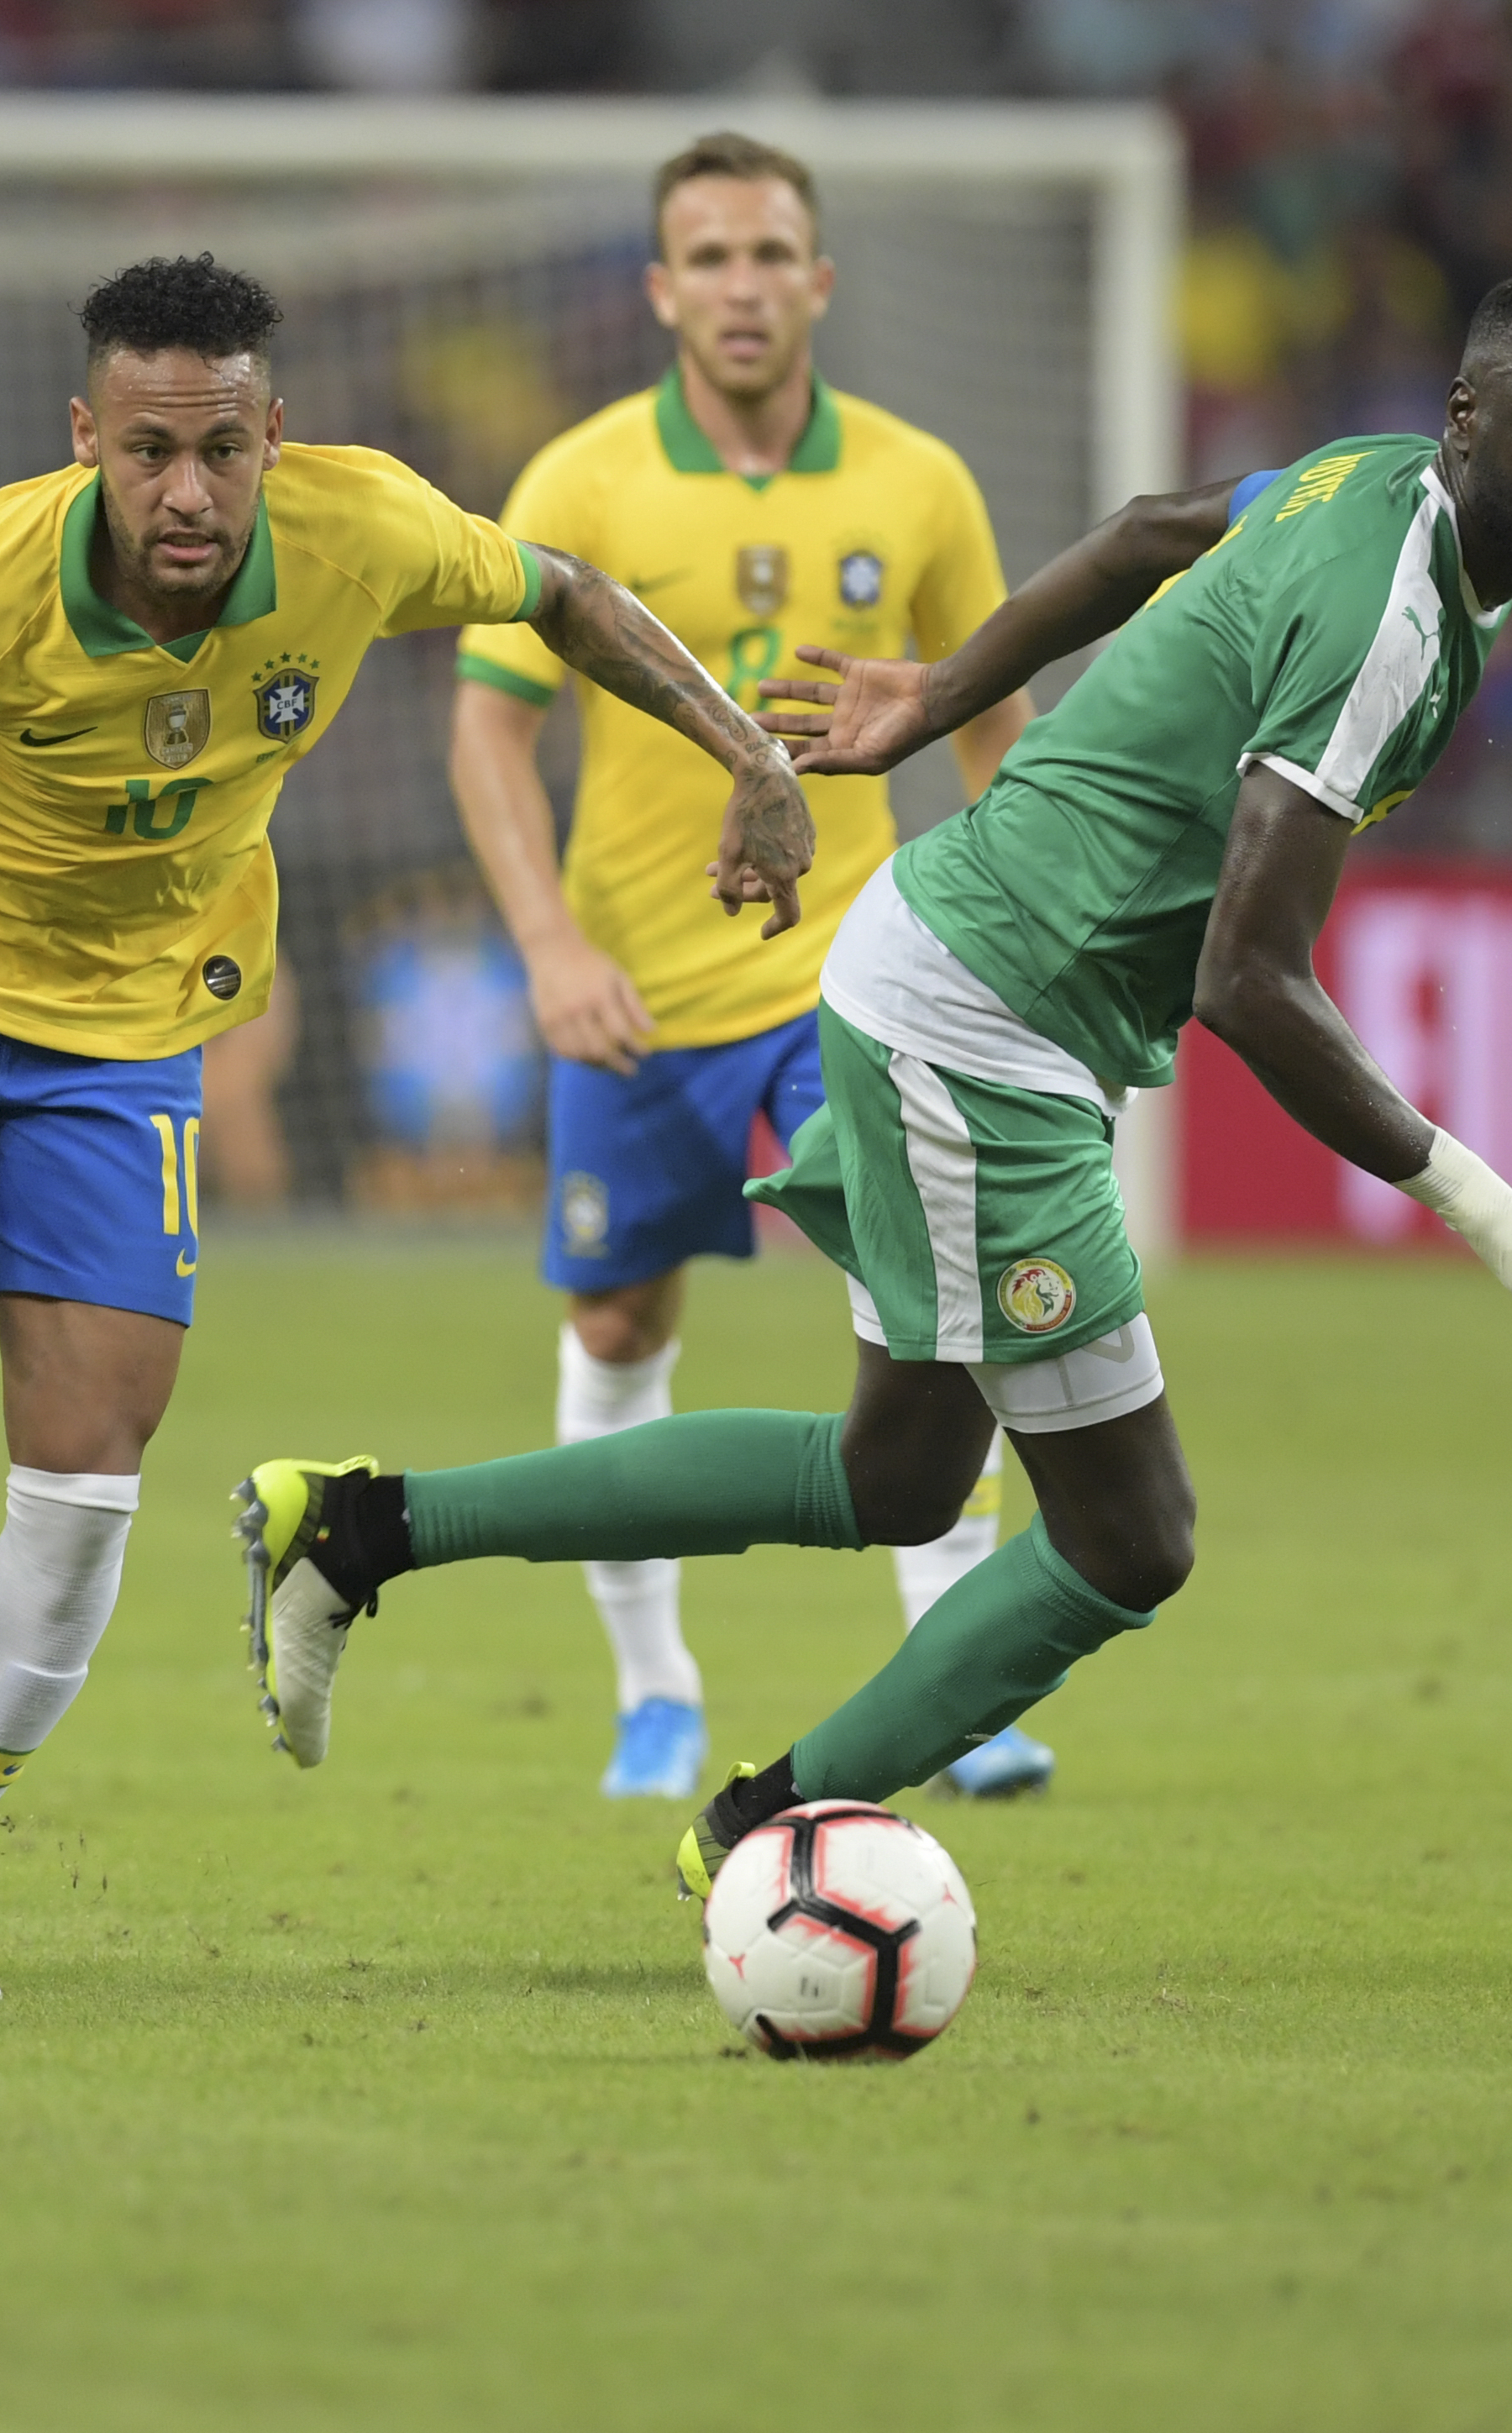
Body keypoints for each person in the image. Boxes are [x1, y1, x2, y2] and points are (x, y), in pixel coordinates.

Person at [236, 272, 1512, 1900]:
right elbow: (1249, 983)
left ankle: (354, 1525)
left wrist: (937, 691)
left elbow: (1142, 532)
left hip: (966, 987)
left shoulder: (1363, 474)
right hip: (984, 1030)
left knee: (894, 1475)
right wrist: (1504, 1218)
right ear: (1471, 420)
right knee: (1132, 1533)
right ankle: (760, 1832)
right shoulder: (1387, 619)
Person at [0, 252, 819, 1999]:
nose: (188, 490)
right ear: (87, 434)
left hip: (129, 1031)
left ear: (271, 431)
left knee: (86, 1491)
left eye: (222, 448)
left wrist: (749, 750)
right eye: (149, 448)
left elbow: (568, 595)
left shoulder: (361, 528)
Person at [449, 132, 1045, 1808]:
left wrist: (1029, 940)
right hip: (632, 995)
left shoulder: (919, 483)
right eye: (705, 257)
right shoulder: (575, 483)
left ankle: (962, 1680)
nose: (739, 284)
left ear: (820, 280)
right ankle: (655, 1690)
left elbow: (995, 722)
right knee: (622, 1316)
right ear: (658, 288)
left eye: (769, 253)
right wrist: (551, 945)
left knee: (927, 1284)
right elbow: (487, 735)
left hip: (853, 980)